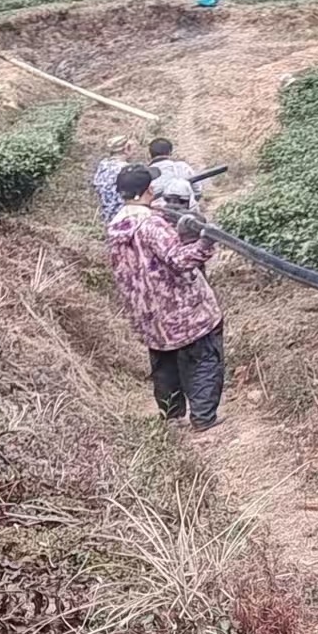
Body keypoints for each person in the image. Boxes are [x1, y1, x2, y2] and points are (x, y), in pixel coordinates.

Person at [106, 164, 227, 431]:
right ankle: (204, 417)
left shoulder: (116, 225)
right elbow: (179, 259)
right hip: (183, 307)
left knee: (165, 362)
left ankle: (172, 417)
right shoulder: (151, 224)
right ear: (148, 190)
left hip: (148, 313)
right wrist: (206, 242)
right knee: (204, 357)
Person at [92, 136, 138, 225]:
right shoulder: (126, 169)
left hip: (106, 213)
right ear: (126, 149)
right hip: (123, 215)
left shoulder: (103, 165)